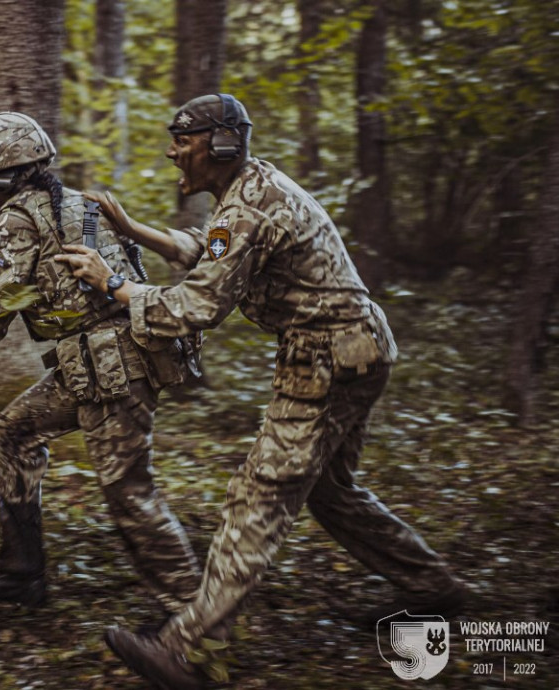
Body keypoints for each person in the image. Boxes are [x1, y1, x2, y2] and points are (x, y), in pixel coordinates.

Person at [56, 94, 467, 688]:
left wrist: (114, 282)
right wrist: (131, 230)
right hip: (358, 348)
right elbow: (209, 253)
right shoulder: (247, 193)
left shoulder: (250, 204)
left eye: (184, 140)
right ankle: (436, 589)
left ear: (221, 144)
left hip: (328, 357)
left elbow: (194, 306)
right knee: (330, 492)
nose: (174, 151)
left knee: (261, 496)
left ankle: (189, 651)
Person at [0, 111, 203, 615]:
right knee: (11, 435)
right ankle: (22, 574)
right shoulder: (78, 203)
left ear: (6, 172)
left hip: (111, 372)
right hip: (98, 365)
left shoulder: (17, 218)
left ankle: (195, 615)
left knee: (129, 493)